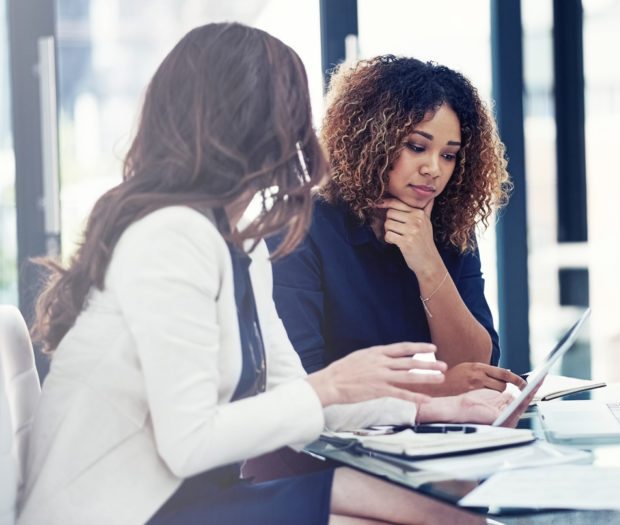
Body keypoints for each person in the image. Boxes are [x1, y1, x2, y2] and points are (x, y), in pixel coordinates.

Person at [19, 24, 522, 525]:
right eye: (288, 110)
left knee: (448, 512)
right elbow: (190, 444)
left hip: (189, 496)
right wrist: (333, 386)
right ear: (237, 123)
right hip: (125, 509)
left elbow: (291, 392)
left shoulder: (240, 241)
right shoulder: (171, 237)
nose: (304, 132)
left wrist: (429, 409)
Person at [269, 55, 525, 397]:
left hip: (434, 435)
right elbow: (304, 381)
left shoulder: (448, 226)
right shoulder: (299, 225)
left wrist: (428, 263)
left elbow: (479, 364)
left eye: (448, 155)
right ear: (372, 140)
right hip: (333, 444)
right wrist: (435, 388)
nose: (433, 168)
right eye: (417, 147)